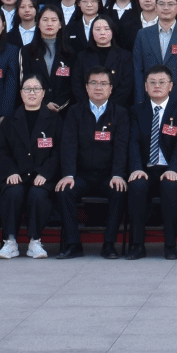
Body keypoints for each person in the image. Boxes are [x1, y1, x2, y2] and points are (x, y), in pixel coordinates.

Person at [56, 68, 131, 258]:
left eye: (103, 83)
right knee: (64, 190)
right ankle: (73, 244)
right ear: (86, 87)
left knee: (119, 190)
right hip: (81, 175)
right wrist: (69, 174)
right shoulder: (75, 111)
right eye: (94, 83)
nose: (98, 87)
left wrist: (117, 174)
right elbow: (68, 145)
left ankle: (109, 244)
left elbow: (121, 147)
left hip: (108, 176)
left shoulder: (120, 113)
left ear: (111, 88)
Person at [128, 65, 177, 260]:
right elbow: (133, 142)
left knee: (170, 186)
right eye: (152, 82)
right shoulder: (137, 111)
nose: (157, 86)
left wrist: (174, 169)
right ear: (145, 86)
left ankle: (170, 246)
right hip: (145, 168)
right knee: (136, 186)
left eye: (161, 82)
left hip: (170, 168)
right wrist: (136, 168)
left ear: (170, 86)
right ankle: (137, 245)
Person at [0, 74, 63, 259]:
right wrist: (10, 171)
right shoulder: (9, 120)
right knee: (12, 193)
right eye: (27, 89)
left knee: (38, 195)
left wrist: (46, 173)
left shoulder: (55, 120)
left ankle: (35, 241)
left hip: (43, 176)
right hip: (16, 175)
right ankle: (10, 241)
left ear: (43, 93)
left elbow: (59, 152)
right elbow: (1, 152)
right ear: (21, 93)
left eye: (36, 89)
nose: (31, 93)